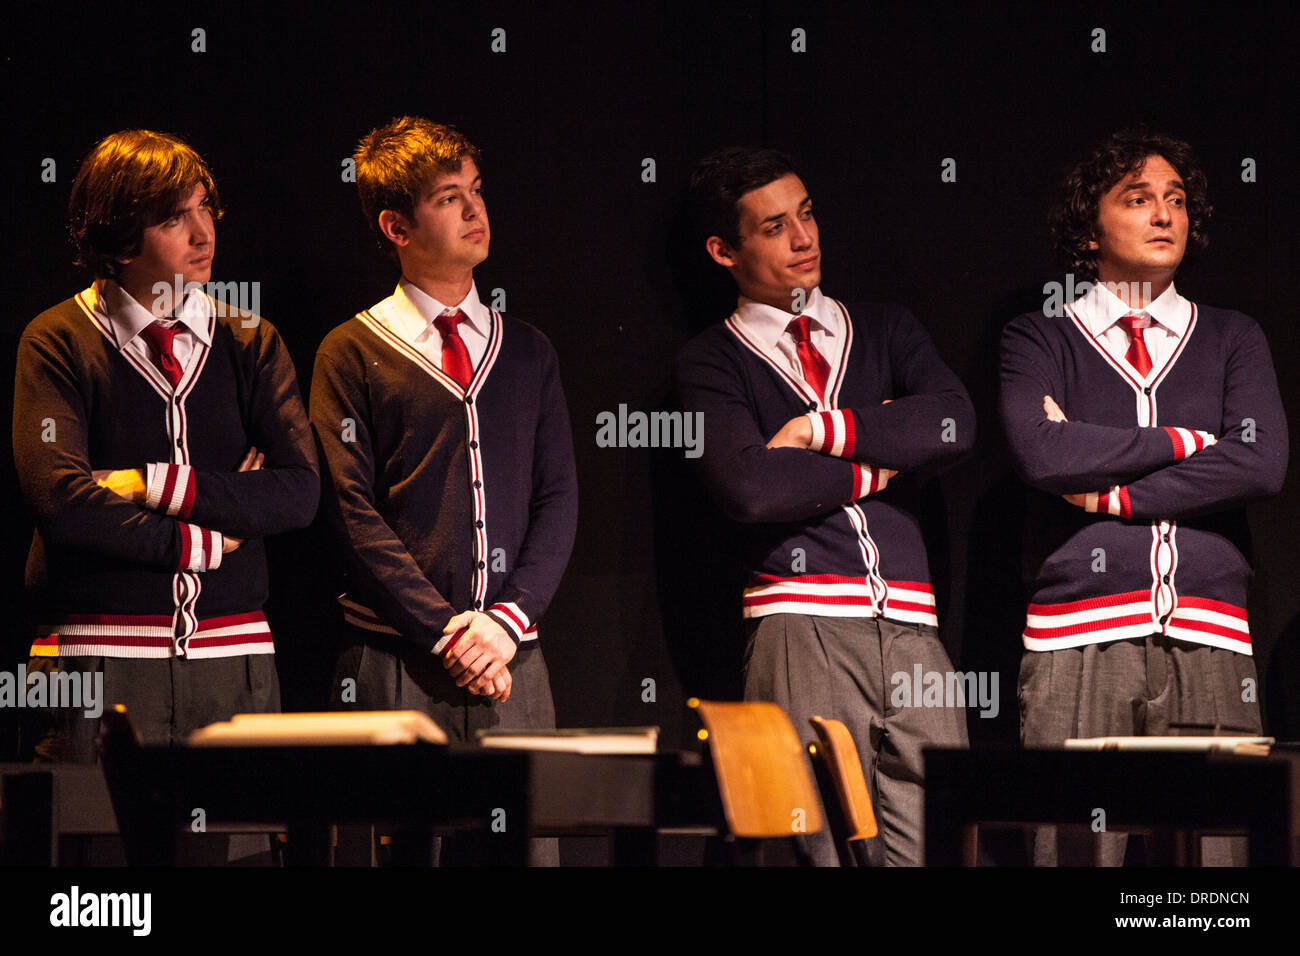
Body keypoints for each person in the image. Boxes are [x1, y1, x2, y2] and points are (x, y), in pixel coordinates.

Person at [675, 147, 975, 865]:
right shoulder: (712, 360)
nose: (804, 238)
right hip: (798, 619)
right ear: (724, 250)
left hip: (912, 624)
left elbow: (953, 423)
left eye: (806, 214)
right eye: (775, 226)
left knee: (942, 838)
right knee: (813, 845)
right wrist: (884, 465)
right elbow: (751, 489)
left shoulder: (885, 328)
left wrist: (822, 431)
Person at [1000, 129, 1287, 865]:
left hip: (1212, 632)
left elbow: (1260, 465)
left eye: (1176, 200)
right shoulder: (1039, 338)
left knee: (1216, 882)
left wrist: (1111, 497)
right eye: (1137, 199)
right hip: (1078, 638)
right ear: (1089, 228)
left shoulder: (1231, 336)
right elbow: (1043, 452)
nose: (1164, 215)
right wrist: (1192, 441)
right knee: (1070, 853)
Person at [311, 118, 577, 863]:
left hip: (511, 663)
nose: (474, 212)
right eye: (448, 198)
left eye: (477, 192)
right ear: (396, 225)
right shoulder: (353, 349)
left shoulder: (526, 350)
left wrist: (504, 623)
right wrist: (446, 630)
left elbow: (557, 500)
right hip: (395, 663)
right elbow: (351, 511)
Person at [13, 129, 318, 763]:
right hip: (92, 663)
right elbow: (63, 501)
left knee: (241, 854)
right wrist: (207, 541)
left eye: (206, 207)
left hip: (234, 661)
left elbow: (297, 490)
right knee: (90, 848)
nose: (204, 233)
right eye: (174, 217)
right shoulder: (57, 340)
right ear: (119, 236)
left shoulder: (250, 338)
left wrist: (149, 482)